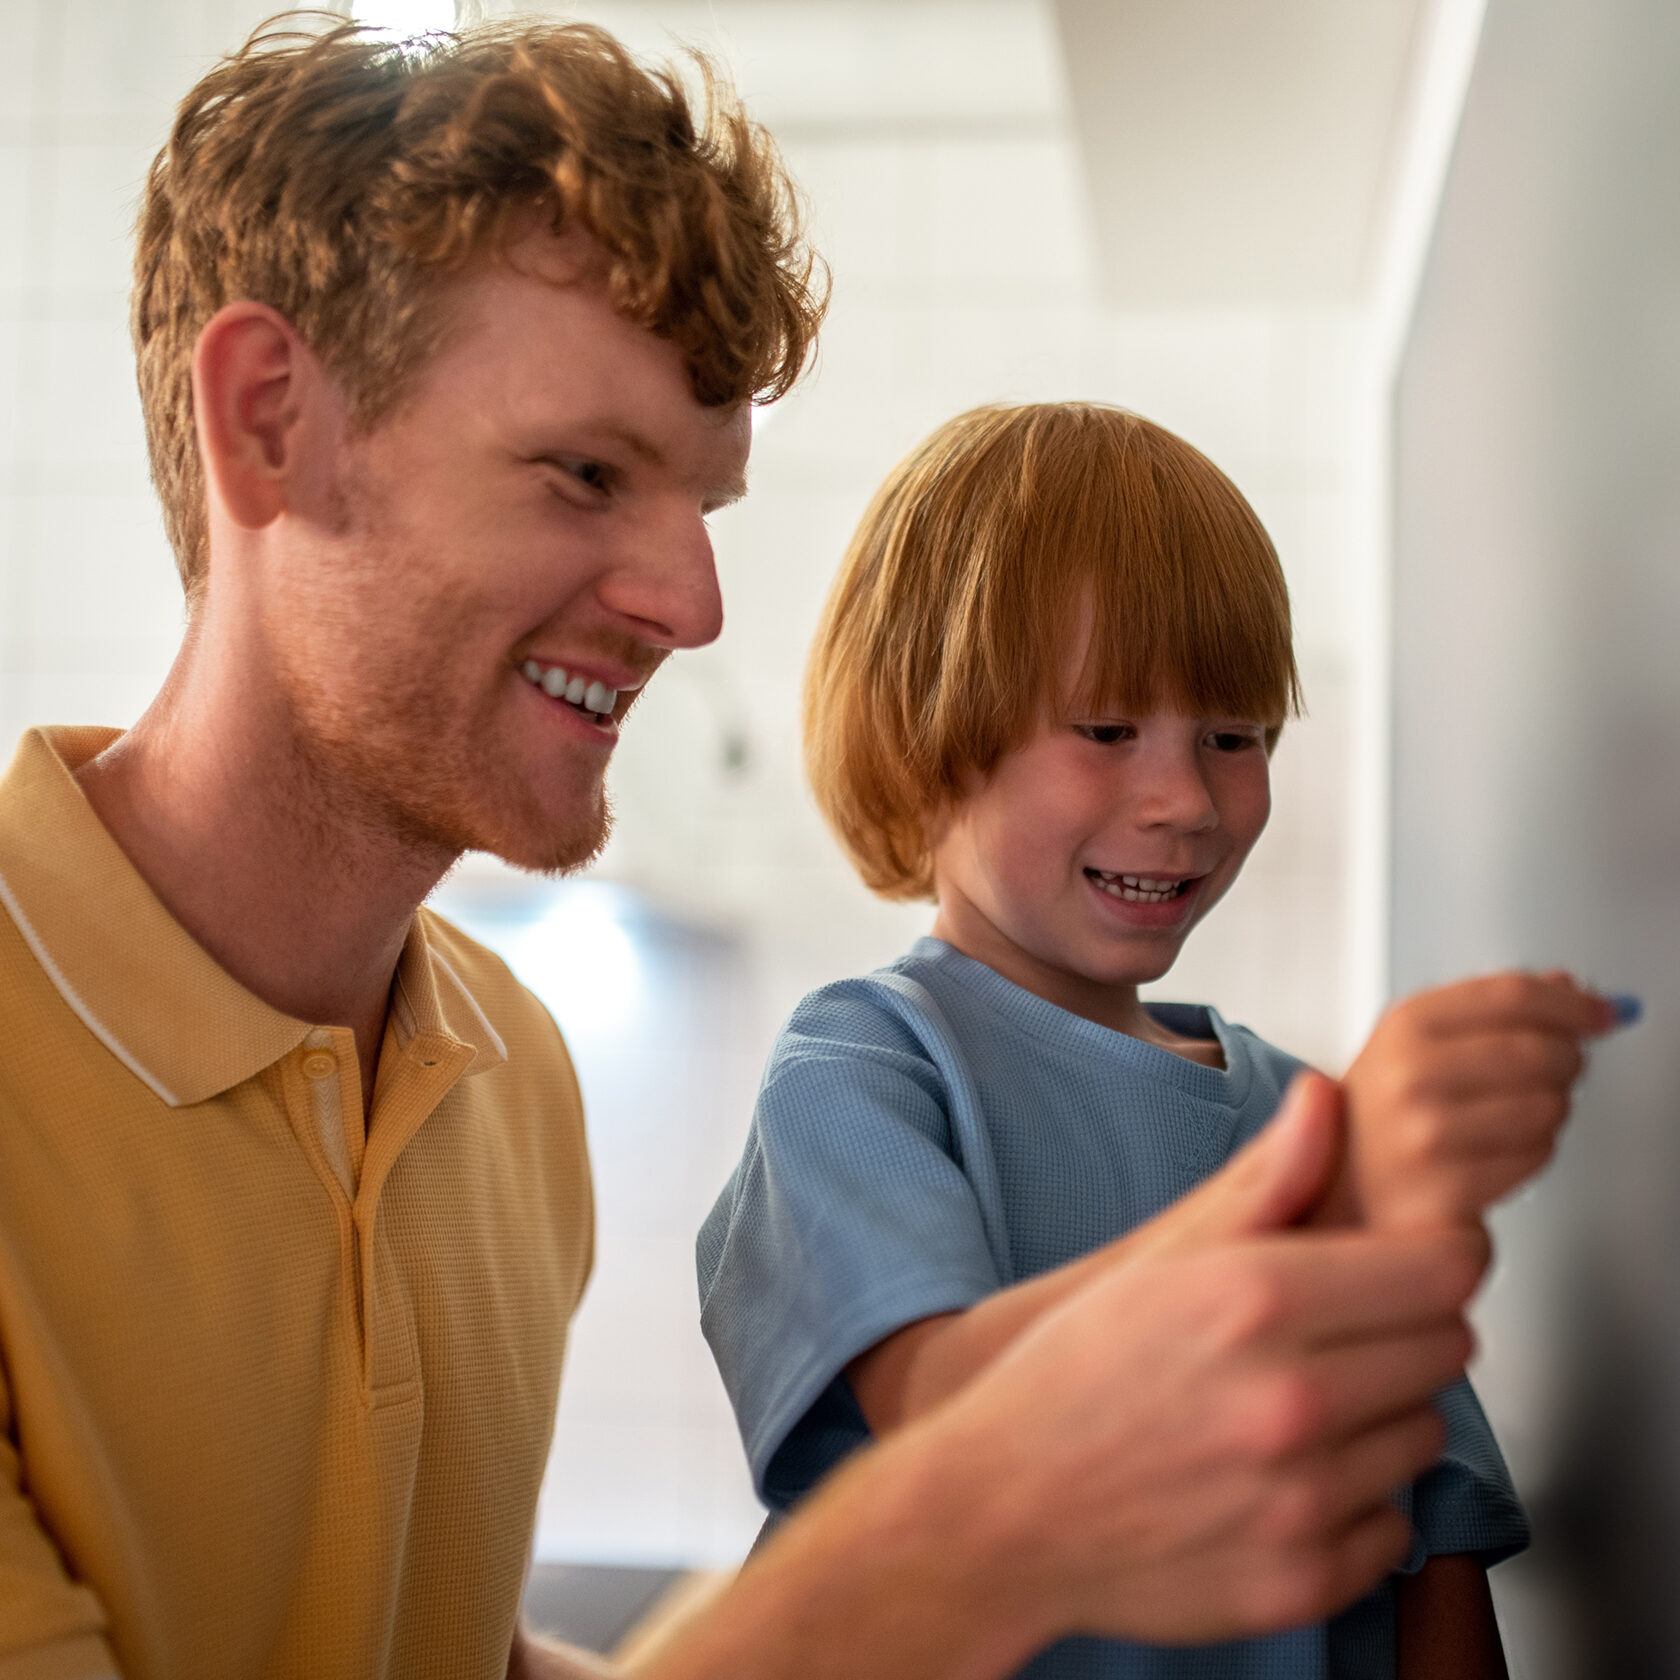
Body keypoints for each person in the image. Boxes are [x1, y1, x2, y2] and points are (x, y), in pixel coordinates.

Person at [0, 18, 1591, 1680]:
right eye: (586, 472)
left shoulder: (510, 1083)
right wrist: (982, 1518)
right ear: (272, 424)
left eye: (705, 504)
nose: (693, 606)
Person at [698, 403, 1615, 1679]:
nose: (1184, 801)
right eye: (1107, 730)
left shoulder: (1310, 1111)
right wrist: (1304, 1190)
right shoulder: (870, 1069)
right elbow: (949, 1425)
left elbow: (1436, 1537)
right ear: (926, 729)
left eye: (1232, 738)